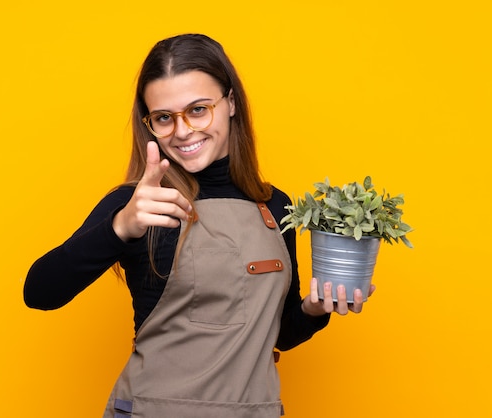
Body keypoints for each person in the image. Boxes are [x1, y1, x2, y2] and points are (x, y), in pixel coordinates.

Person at [23, 33, 374, 418]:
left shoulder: (275, 206)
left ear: (231, 103)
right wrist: (120, 226)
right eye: (163, 118)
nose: (184, 130)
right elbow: (40, 291)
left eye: (198, 109)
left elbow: (273, 336)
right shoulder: (140, 204)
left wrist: (313, 310)